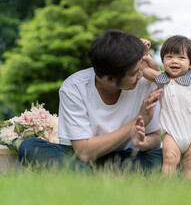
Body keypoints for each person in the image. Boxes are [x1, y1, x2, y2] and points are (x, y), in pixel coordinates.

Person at [18, 29, 163, 173]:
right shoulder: (74, 88)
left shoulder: (144, 82)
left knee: (169, 156)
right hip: (79, 160)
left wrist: (144, 143)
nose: (141, 74)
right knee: (29, 147)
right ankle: (99, 181)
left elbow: (156, 138)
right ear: (110, 79)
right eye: (134, 73)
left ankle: (88, 179)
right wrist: (138, 120)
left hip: (124, 158)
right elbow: (84, 152)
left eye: (140, 68)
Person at [141, 35, 191, 178]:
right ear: (163, 60)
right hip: (172, 131)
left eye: (181, 58)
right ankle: (168, 188)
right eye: (169, 56)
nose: (174, 61)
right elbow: (145, 71)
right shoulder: (162, 78)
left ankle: (188, 191)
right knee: (170, 159)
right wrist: (144, 54)